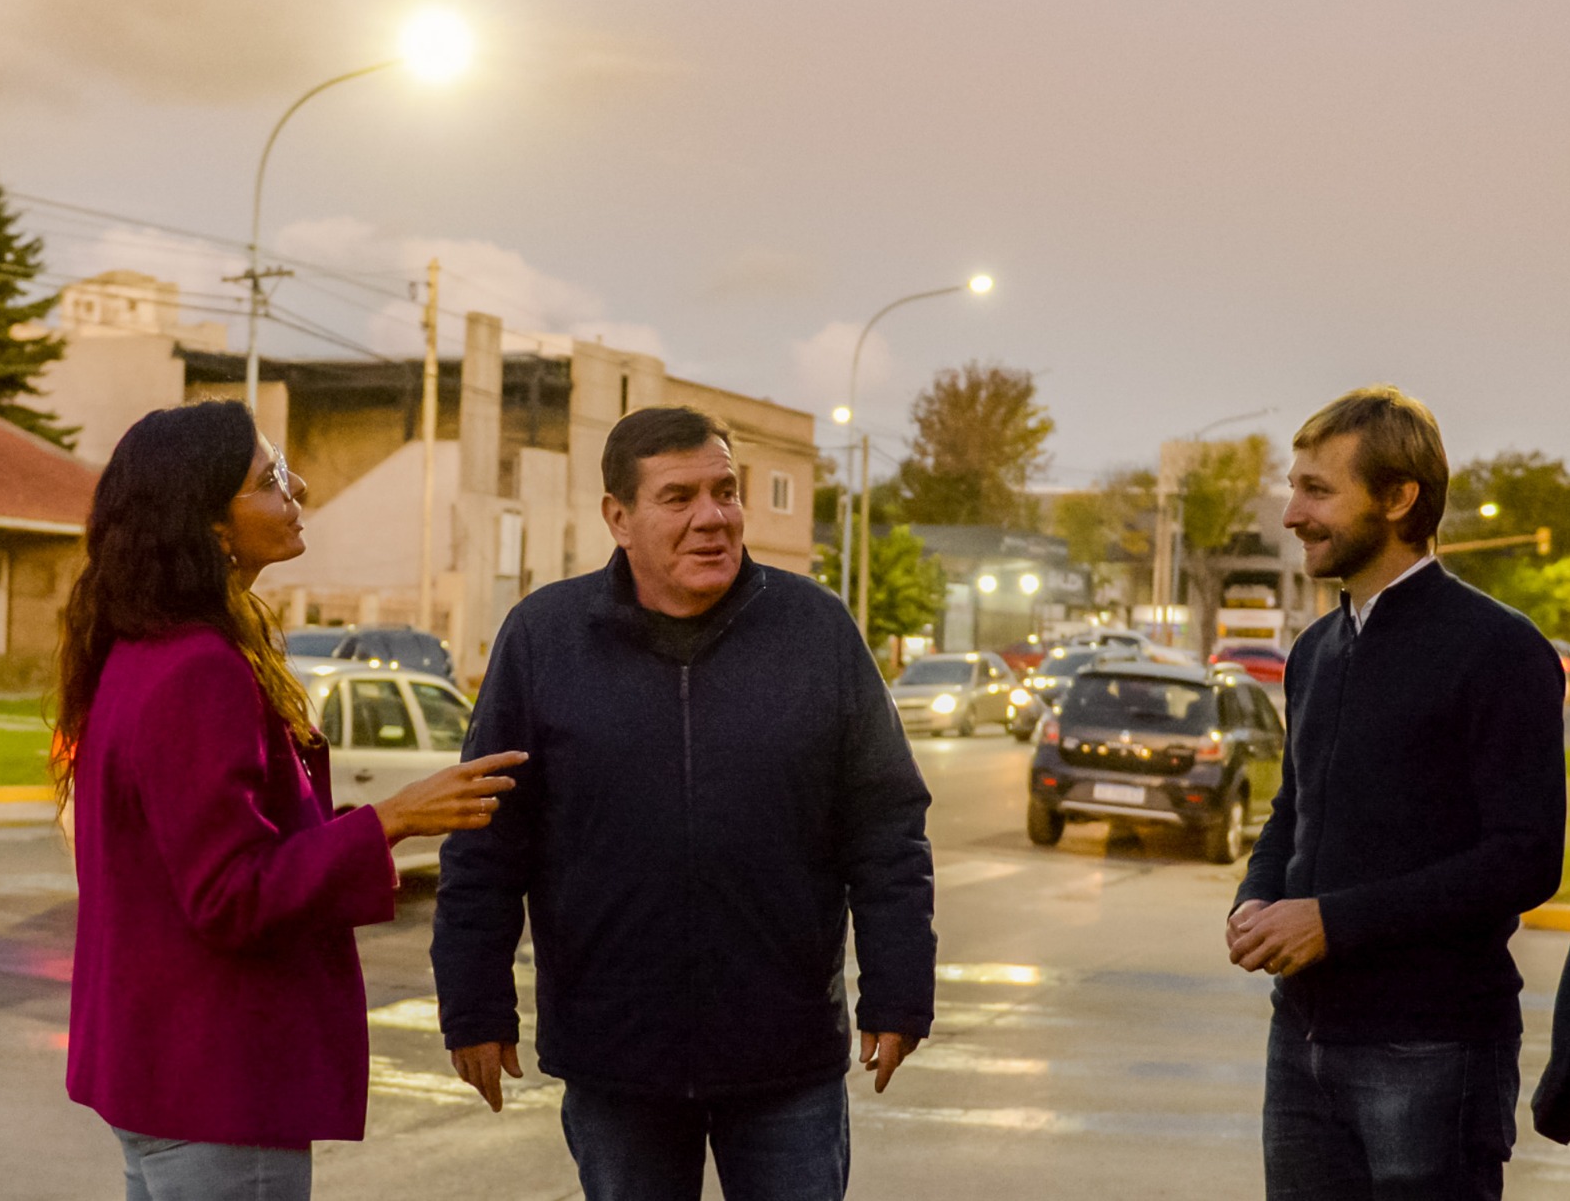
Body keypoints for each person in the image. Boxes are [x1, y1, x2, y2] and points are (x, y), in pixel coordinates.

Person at [431, 406, 936, 1201]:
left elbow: (885, 828)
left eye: (726, 491)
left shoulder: (817, 631)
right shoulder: (544, 639)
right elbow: (486, 842)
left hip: (784, 1055)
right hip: (616, 1056)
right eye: (679, 497)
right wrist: (474, 1005)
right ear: (618, 517)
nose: (714, 518)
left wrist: (899, 988)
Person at [58, 400, 526, 1201]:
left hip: (161, 1079)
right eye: (270, 478)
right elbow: (230, 893)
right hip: (218, 1086)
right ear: (209, 523)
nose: (298, 485)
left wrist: (383, 828)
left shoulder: (138, 651)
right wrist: (392, 819)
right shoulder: (198, 669)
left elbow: (231, 854)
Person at [1225, 386, 1566, 1199]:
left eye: (1317, 489)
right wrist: (1257, 894)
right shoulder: (1314, 649)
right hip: (1299, 1038)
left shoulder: (1500, 648)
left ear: (1399, 496)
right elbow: (1290, 807)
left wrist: (1331, 921)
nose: (1291, 514)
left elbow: (1525, 859)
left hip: (1432, 1048)